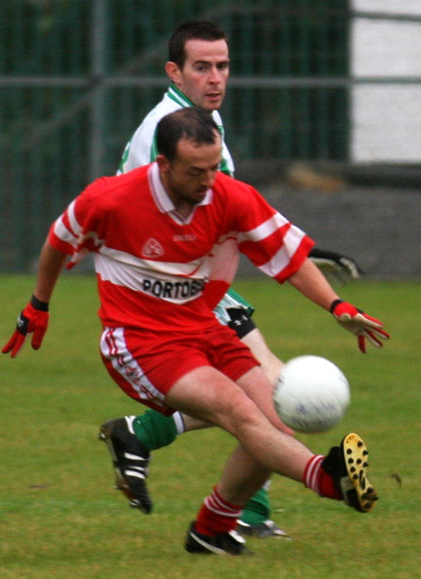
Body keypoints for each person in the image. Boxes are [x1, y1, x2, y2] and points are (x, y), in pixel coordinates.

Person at [2, 107, 388, 555]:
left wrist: (336, 306)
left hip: (203, 328)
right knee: (237, 411)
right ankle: (326, 479)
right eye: (195, 171)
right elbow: (57, 240)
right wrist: (38, 305)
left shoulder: (227, 195)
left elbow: (287, 255)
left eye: (213, 167)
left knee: (275, 417)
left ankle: (212, 529)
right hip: (140, 342)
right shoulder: (110, 199)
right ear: (162, 164)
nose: (208, 180)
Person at [103, 19, 363, 538]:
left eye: (222, 66)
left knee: (262, 398)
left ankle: (152, 446)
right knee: (270, 396)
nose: (215, 77)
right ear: (175, 70)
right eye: (202, 67)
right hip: (179, 292)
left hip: (200, 284)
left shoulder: (198, 123)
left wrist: (298, 246)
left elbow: (232, 214)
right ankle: (234, 510)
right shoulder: (172, 131)